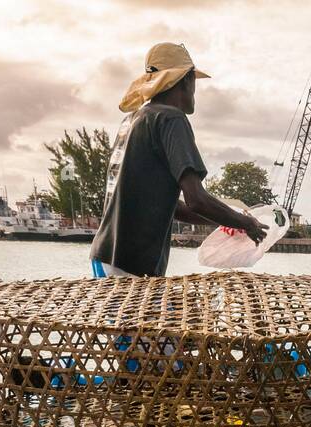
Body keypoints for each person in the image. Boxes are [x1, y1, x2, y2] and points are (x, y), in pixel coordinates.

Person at [91, 42, 266, 278]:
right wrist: (247, 223)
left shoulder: (135, 119)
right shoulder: (170, 119)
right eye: (194, 81)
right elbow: (196, 199)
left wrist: (230, 220)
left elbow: (175, 208)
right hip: (128, 266)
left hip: (105, 256)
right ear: (186, 80)